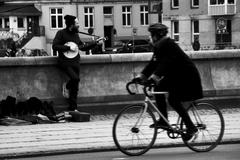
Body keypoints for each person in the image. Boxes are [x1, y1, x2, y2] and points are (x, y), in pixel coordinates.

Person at [132, 23, 203, 141]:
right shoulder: (159, 46)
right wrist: (141, 76)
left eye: (152, 34)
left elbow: (166, 63)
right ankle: (163, 120)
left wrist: (154, 77)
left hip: (187, 76)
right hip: (176, 76)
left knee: (173, 100)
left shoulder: (169, 45)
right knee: (157, 89)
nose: (151, 37)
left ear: (158, 35)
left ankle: (191, 127)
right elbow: (153, 64)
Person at [52, 15, 102, 111]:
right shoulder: (61, 33)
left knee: (75, 87)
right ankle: (66, 86)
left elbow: (82, 47)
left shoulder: (75, 35)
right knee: (75, 79)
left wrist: (95, 43)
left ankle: (73, 108)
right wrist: (68, 48)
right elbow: (55, 46)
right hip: (65, 62)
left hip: (75, 62)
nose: (79, 25)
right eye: (77, 23)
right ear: (71, 25)